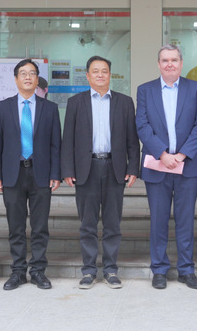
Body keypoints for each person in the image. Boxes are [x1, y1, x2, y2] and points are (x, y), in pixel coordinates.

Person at [61, 55, 141, 290]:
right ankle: (88, 271)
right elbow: (68, 140)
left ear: (110, 75)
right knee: (87, 223)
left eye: (104, 71)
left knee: (112, 223)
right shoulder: (76, 102)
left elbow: (132, 140)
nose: (100, 75)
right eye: (95, 71)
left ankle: (110, 270)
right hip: (86, 169)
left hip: (115, 168)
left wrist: (133, 168)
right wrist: (68, 169)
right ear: (87, 76)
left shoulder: (124, 102)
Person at [135, 44, 197, 290]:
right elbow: (142, 125)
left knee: (185, 221)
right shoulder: (145, 90)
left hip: (187, 167)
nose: (169, 64)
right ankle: (159, 269)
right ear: (158, 64)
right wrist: (163, 154)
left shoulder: (194, 88)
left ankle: (186, 270)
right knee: (158, 220)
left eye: (174, 60)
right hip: (158, 165)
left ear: (181, 63)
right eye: (165, 60)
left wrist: (182, 154)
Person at [0, 59, 62, 291]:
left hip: (41, 174)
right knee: (16, 226)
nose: (28, 77)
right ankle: (18, 272)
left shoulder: (49, 108)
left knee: (40, 226)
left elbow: (56, 144)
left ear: (37, 79)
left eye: (32, 73)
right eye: (23, 73)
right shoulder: (3, 107)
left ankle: (38, 271)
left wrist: (56, 173)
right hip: (12, 174)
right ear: (16, 79)